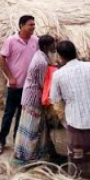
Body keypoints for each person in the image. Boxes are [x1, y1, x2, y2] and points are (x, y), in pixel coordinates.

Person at [50, 41, 90, 180]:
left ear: (60, 57)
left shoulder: (58, 74)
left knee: (78, 154)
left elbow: (54, 98)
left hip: (75, 121)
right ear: (76, 52)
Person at [0, 15, 39, 155]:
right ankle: (1, 141)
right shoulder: (11, 41)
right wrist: (11, 77)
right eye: (30, 25)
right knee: (8, 114)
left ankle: (16, 141)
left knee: (22, 115)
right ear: (21, 26)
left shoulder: (35, 41)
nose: (33, 27)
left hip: (29, 87)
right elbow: (1, 59)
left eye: (33, 24)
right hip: (14, 86)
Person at [13, 35, 56, 166]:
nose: (55, 47)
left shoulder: (39, 55)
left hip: (29, 95)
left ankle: (28, 153)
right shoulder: (41, 61)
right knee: (32, 127)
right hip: (33, 97)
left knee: (29, 126)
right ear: (46, 46)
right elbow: (43, 83)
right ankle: (28, 156)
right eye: (53, 45)